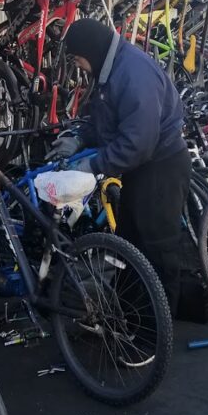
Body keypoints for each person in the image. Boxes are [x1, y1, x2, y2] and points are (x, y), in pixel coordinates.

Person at [52, 18, 190, 312]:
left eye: (78, 59)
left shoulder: (132, 73)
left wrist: (95, 164)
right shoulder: (110, 69)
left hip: (161, 167)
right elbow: (108, 121)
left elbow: (139, 141)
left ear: (91, 51)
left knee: (156, 248)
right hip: (140, 169)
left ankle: (155, 331)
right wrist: (81, 139)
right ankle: (130, 317)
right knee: (130, 244)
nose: (79, 66)